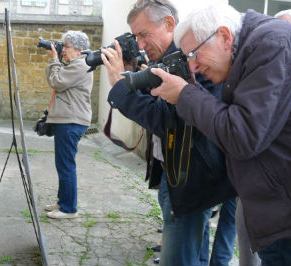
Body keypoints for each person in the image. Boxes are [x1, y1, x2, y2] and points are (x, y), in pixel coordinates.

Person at [149, 3, 291, 265]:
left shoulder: (273, 44)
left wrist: (185, 95)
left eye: (194, 55)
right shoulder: (259, 45)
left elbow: (243, 136)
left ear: (224, 35)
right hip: (284, 206)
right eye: (188, 59)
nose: (194, 68)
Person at [100, 1, 237, 265]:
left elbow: (170, 121)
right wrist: (131, 79)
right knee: (193, 253)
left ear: (169, 24)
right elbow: (157, 105)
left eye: (143, 34)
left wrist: (119, 86)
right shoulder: (164, 60)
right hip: (176, 173)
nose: (139, 44)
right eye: (135, 37)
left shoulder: (193, 60)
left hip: (192, 179)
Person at [44, 30, 93, 219]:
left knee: (66, 166)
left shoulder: (80, 65)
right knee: (63, 164)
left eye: (66, 46)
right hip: (69, 120)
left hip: (71, 121)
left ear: (79, 50)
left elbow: (56, 81)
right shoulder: (76, 64)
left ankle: (69, 209)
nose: (63, 50)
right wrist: (56, 60)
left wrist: (54, 59)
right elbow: (56, 79)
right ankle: (62, 201)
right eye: (62, 46)